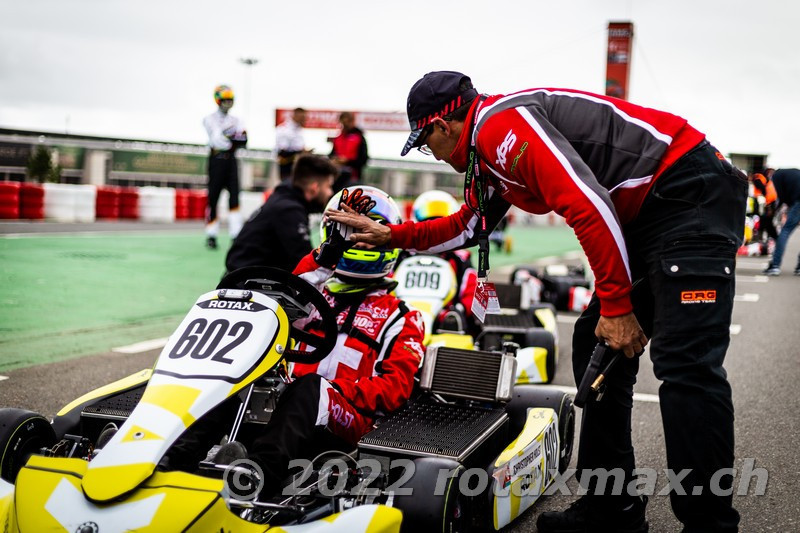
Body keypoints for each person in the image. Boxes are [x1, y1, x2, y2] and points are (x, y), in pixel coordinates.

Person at [327, 71, 748, 532]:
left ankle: (711, 524)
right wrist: (393, 234)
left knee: (686, 365)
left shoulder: (500, 128)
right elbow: (469, 227)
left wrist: (617, 305)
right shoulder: (483, 153)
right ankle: (612, 510)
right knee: (595, 345)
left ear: (442, 126)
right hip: (654, 208)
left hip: (688, 191)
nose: (433, 154)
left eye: (426, 143)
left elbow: (588, 205)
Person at [170, 186, 424, 498]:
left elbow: (396, 388)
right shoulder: (314, 300)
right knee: (238, 377)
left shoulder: (402, 316)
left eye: (364, 232)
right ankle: (173, 459)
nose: (358, 242)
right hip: (289, 410)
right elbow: (281, 304)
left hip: (350, 422)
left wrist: (334, 389)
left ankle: (257, 478)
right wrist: (328, 254)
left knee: (312, 388)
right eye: (349, 233)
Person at [225, 154, 336, 274]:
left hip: (243, 277)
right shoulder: (289, 210)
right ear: (314, 187)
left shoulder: (283, 199)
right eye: (328, 186)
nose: (331, 192)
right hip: (246, 283)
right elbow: (306, 264)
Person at [411, 189, 478, 333]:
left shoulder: (459, 258)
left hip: (444, 320)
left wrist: (460, 310)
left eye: (440, 223)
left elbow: (472, 290)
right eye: (430, 222)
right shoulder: (403, 253)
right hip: (403, 313)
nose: (435, 228)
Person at [203, 85, 247, 250]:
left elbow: (243, 139)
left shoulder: (236, 119)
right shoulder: (209, 118)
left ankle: (235, 236)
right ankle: (211, 234)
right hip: (216, 160)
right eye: (225, 99)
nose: (228, 103)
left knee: (235, 198)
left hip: (231, 161)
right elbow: (217, 141)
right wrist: (231, 137)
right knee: (213, 198)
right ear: (218, 100)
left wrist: (229, 137)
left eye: (230, 99)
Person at [762, 168, 800, 276]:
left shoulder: (776, 176)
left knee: (785, 231)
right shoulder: (791, 172)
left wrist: (773, 211)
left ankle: (775, 266)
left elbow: (781, 197)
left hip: (798, 201)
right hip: (797, 201)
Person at [328, 111, 369, 192]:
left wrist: (347, 161)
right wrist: (334, 160)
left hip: (353, 178)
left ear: (352, 121)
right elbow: (331, 154)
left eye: (348, 121)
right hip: (336, 178)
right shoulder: (338, 138)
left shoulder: (360, 138)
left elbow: (364, 159)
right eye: (343, 122)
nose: (345, 124)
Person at [275, 107, 309, 181]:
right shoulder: (284, 129)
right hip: (287, 167)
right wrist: (300, 152)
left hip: (297, 167)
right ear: (295, 116)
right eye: (302, 118)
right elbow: (283, 152)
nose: (304, 120)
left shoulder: (299, 130)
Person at [750, 171, 779, 249]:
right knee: (767, 223)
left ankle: (763, 240)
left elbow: (762, 190)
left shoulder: (756, 178)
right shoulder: (761, 178)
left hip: (768, 203)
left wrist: (767, 206)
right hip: (769, 202)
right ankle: (773, 238)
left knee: (766, 222)